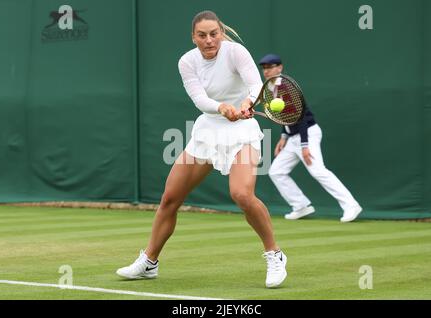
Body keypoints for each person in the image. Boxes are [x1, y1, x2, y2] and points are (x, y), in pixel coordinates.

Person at [116, 11, 287, 288]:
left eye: (213, 34)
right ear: (193, 37)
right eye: (202, 35)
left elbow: (256, 85)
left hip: (242, 132)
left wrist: (245, 102)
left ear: (221, 32)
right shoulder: (187, 61)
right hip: (208, 131)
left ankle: (275, 254)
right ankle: (149, 262)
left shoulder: (236, 52)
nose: (209, 40)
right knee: (170, 198)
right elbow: (199, 98)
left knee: (242, 194)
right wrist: (221, 107)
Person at [260, 54, 363, 223]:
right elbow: (286, 116)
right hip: (293, 137)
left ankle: (351, 205)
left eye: (270, 67)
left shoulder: (286, 87)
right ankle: (301, 206)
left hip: (307, 133)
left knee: (318, 171)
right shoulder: (271, 88)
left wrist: (305, 145)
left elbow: (300, 117)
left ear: (280, 68)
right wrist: (284, 136)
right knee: (276, 171)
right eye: (264, 68)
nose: (267, 71)